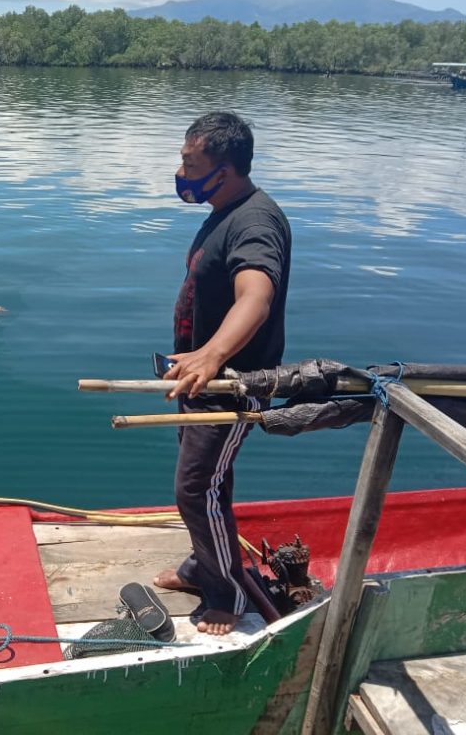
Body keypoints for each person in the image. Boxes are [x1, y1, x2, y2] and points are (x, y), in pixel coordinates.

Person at [154, 112, 291, 636]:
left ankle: (226, 593)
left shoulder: (255, 221)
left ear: (226, 169)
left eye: (191, 162)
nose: (181, 170)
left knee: (196, 489)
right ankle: (200, 565)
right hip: (202, 380)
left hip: (233, 385)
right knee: (208, 483)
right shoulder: (226, 209)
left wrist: (212, 355)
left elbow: (256, 296)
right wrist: (196, 360)